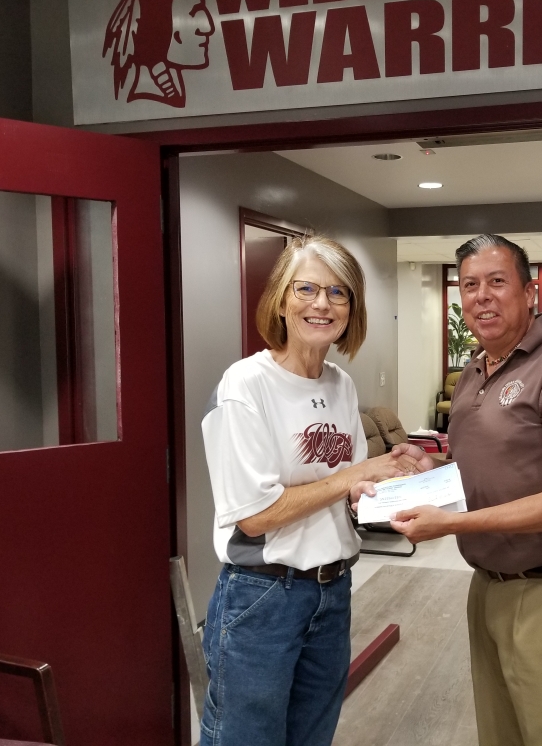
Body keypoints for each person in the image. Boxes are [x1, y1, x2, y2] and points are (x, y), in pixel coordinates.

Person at [387, 234, 542, 746]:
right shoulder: (475, 370)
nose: (482, 296)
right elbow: (486, 462)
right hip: (490, 584)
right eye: (470, 285)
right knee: (502, 734)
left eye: (497, 281)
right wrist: (431, 466)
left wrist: (452, 523)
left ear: (530, 290)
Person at [199, 234, 429, 746]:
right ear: (281, 300)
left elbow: (345, 486)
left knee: (312, 736)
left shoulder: (339, 384)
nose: (322, 304)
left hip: (332, 590)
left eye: (338, 293)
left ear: (352, 309)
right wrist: (351, 475)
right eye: (306, 288)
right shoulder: (245, 386)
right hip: (262, 596)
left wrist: (390, 472)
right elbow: (255, 517)